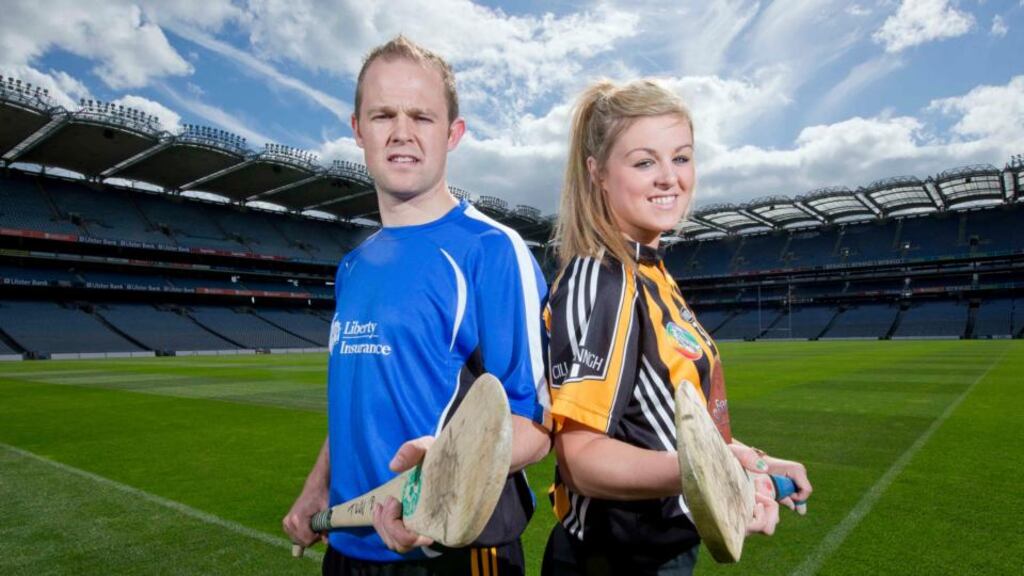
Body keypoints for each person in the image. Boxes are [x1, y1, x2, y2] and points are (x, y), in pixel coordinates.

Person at [282, 36, 551, 576]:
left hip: (456, 551)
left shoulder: (492, 250)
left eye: (421, 117)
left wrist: (445, 473)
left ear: (453, 133)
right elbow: (358, 401)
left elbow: (536, 426)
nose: (402, 132)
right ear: (358, 129)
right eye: (383, 114)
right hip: (349, 545)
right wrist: (317, 488)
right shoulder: (354, 265)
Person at [540, 79, 812, 575]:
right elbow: (582, 459)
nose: (670, 177)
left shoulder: (651, 272)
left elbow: (662, 428)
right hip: (613, 562)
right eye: (645, 161)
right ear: (597, 173)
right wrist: (720, 477)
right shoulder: (603, 279)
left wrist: (754, 462)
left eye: (681, 158)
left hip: (661, 551)